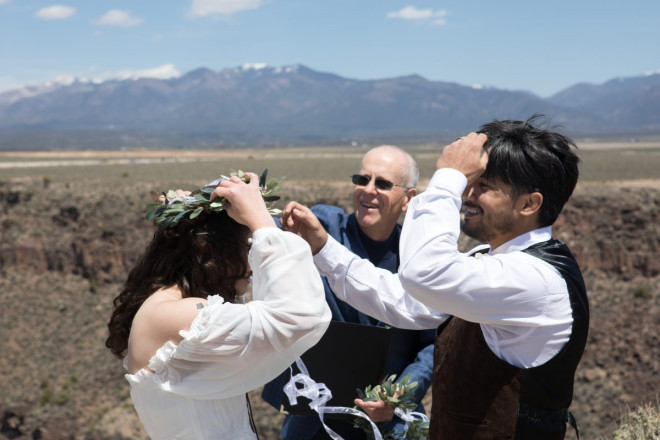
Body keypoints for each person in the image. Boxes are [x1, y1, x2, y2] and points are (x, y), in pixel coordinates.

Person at [283, 116, 589, 439]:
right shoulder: (497, 262)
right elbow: (407, 301)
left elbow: (423, 273)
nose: (467, 194)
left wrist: (449, 176)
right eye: (470, 182)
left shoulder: (536, 280)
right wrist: (324, 248)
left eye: (483, 186)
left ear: (529, 204)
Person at [105, 172, 331, 440]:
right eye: (247, 246)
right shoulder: (176, 315)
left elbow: (266, 311)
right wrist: (262, 223)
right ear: (211, 249)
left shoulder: (174, 305)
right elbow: (298, 316)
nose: (251, 264)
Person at [261, 146, 436, 439]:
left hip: (386, 421)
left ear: (408, 199)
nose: (368, 190)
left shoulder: (419, 260)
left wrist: (396, 397)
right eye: (362, 179)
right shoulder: (325, 228)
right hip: (315, 417)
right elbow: (270, 238)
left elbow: (432, 344)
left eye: (382, 183)